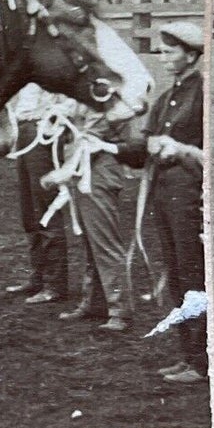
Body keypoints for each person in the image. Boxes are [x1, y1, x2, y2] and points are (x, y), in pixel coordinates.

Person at [117, 21, 207, 384]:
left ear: (191, 55)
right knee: (178, 278)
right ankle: (189, 356)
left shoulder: (201, 95)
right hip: (164, 198)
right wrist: (108, 146)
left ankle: (201, 361)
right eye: (164, 50)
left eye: (172, 51)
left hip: (190, 199)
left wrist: (181, 150)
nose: (165, 57)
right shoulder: (169, 96)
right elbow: (142, 150)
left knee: (193, 276)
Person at [49, 103, 140, 332]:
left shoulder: (106, 101)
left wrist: (62, 172)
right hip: (87, 175)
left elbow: (88, 140)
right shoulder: (91, 99)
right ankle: (95, 302)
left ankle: (120, 311)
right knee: (91, 245)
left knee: (105, 245)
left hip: (99, 177)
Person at [5, 85, 70, 306]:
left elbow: (71, 100)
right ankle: (38, 277)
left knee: (46, 207)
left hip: (43, 133)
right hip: (24, 131)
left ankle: (55, 284)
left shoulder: (55, 63)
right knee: (30, 210)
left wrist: (51, 117)